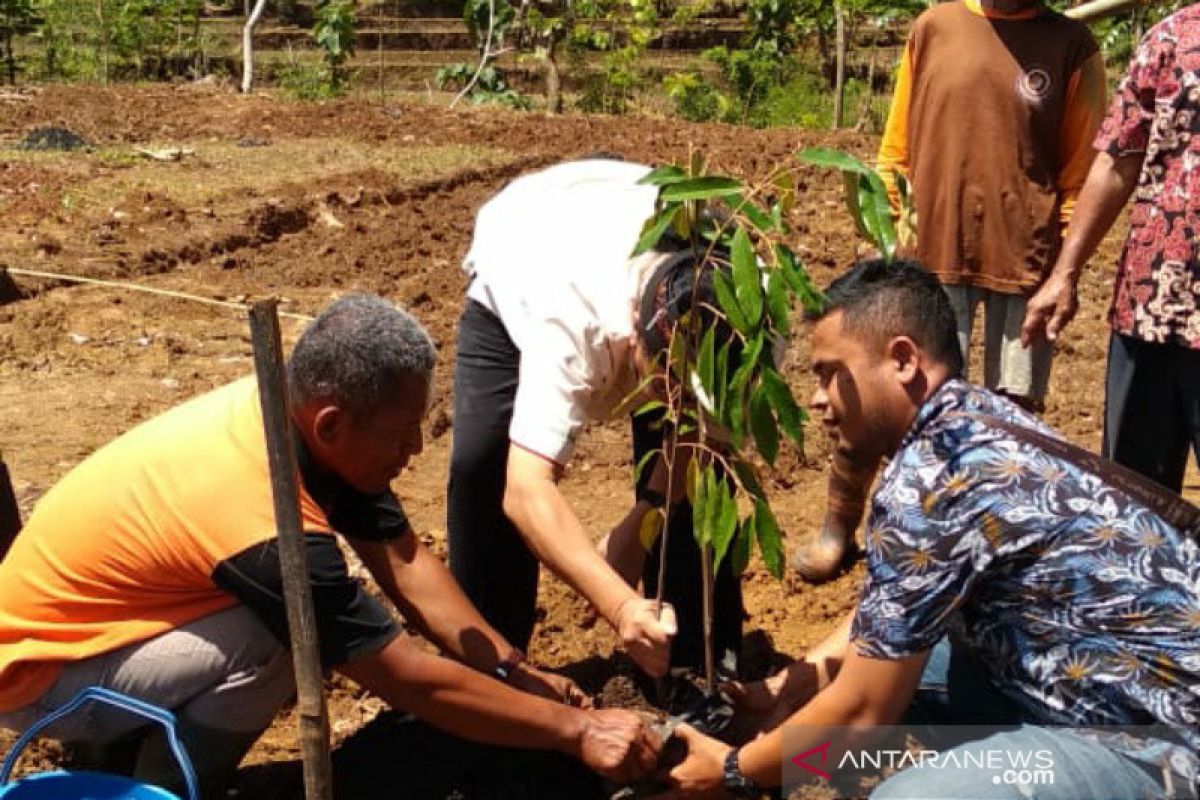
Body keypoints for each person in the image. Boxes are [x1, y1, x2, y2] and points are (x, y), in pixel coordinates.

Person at [0, 295, 662, 799]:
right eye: (403, 434)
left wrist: (513, 672)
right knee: (285, 636)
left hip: (104, 634)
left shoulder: (298, 424)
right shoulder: (261, 515)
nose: (417, 451)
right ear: (332, 422)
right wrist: (579, 732)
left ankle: (126, 753)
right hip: (41, 675)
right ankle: (164, 787)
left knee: (283, 622)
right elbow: (396, 674)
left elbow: (405, 560)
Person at [653, 260, 1200, 799]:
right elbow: (892, 614)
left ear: (902, 360)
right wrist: (787, 691)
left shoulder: (930, 481)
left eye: (828, 372)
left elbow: (866, 715)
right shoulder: (973, 415)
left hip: (1153, 743)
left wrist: (733, 772)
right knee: (891, 675)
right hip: (1098, 679)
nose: (816, 399)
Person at [791, 0, 1109, 583]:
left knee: (1011, 412)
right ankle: (840, 525)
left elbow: (1080, 176)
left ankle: (978, 545)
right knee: (883, 400)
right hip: (929, 253)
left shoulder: (1071, 48)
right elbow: (896, 148)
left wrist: (1065, 267)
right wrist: (888, 229)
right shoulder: (934, 27)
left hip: (1025, 257)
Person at [448, 157, 746, 678]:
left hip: (623, 222)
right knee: (483, 463)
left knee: (698, 480)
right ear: (636, 329)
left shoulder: (746, 311)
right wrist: (619, 603)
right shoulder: (568, 319)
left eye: (689, 386)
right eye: (666, 378)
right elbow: (526, 489)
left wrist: (637, 527)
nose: (676, 399)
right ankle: (493, 670)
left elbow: (701, 439)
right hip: (526, 241)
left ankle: (698, 667)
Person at [1021, 4, 1200, 495]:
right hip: (1152, 304)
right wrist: (1065, 272)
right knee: (1132, 492)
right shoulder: (1171, 38)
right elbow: (1117, 160)